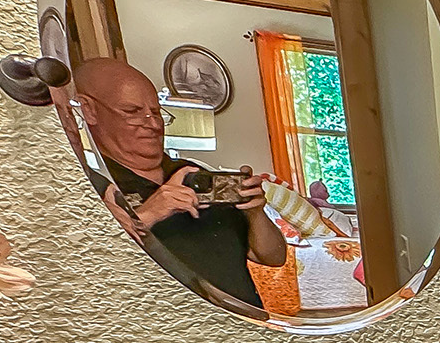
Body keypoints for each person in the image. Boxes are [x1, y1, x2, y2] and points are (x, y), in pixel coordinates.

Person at [69, 57, 286, 309]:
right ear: (89, 110)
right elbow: (91, 272)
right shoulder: (92, 187)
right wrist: (149, 214)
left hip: (241, 324)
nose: (153, 124)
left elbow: (273, 257)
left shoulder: (195, 174)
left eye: (156, 112)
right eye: (132, 112)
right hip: (167, 326)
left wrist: (256, 213)